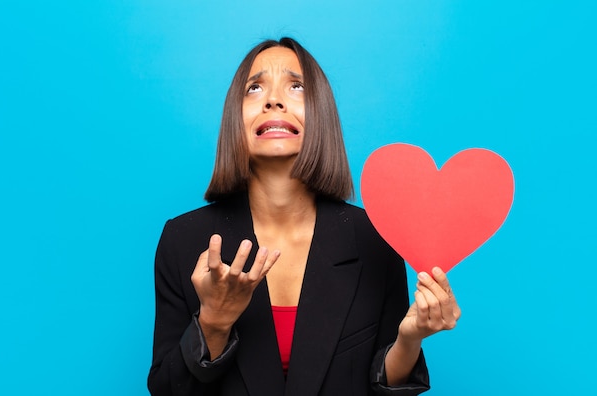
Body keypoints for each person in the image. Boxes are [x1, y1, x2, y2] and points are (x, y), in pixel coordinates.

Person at [147, 37, 461, 396]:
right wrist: (214, 322)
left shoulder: (375, 237)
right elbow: (166, 389)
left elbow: (380, 385)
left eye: (296, 86)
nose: (273, 100)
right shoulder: (183, 240)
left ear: (322, 113)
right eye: (254, 88)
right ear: (235, 116)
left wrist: (410, 339)